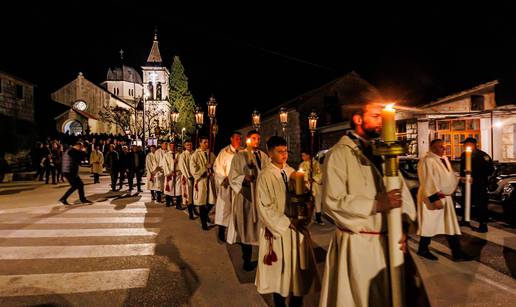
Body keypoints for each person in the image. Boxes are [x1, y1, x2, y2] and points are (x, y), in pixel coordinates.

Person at [319, 102, 416, 307]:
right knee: (363, 298)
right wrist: (376, 204)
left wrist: (403, 226)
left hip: (389, 242)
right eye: (376, 116)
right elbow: (331, 201)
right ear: (358, 119)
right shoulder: (339, 154)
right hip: (358, 244)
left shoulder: (383, 153)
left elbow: (401, 192)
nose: (382, 121)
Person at [256, 136, 319, 307]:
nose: (284, 155)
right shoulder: (265, 176)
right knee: (281, 273)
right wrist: (287, 222)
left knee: (297, 272)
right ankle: (280, 302)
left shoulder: (292, 172)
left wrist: (307, 201)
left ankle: (297, 301)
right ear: (270, 153)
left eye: (285, 151)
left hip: (297, 229)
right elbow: (264, 207)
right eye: (280, 151)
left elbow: (303, 197)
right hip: (280, 231)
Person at [417, 139, 471, 261]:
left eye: (444, 146)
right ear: (433, 148)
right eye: (441, 147)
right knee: (429, 225)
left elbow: (448, 174)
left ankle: (457, 252)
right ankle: (423, 249)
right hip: (434, 196)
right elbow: (427, 180)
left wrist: (460, 178)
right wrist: (434, 198)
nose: (444, 149)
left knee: (449, 225)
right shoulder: (428, 160)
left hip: (445, 198)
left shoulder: (444, 159)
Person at [228, 130, 269, 271]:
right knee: (247, 229)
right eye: (253, 138)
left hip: (260, 197)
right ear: (247, 140)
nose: (257, 141)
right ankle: (246, 259)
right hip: (246, 198)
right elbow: (232, 175)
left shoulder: (264, 156)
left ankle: (265, 257)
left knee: (260, 229)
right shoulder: (240, 156)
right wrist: (244, 178)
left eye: (258, 138)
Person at [459, 137, 494, 233]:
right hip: (466, 184)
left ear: (473, 145)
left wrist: (477, 177)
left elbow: (490, 170)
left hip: (479, 185)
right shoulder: (463, 155)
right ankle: (465, 219)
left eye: (467, 144)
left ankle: (483, 224)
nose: (465, 146)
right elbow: (462, 168)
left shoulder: (483, 156)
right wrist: (462, 177)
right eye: (464, 144)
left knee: (481, 204)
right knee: (465, 202)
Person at [213, 131, 242, 243]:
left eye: (240, 139)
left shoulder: (243, 152)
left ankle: (237, 233)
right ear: (231, 139)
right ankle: (222, 230)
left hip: (239, 186)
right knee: (225, 209)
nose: (239, 141)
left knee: (237, 210)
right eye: (236, 139)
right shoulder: (224, 152)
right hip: (227, 185)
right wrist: (223, 178)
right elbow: (217, 166)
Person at [190, 136, 217, 230]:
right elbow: (193, 170)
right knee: (202, 202)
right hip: (201, 181)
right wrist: (204, 168)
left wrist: (212, 168)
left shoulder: (211, 154)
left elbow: (216, 166)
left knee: (211, 202)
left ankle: (205, 215)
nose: (207, 144)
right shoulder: (195, 155)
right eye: (204, 142)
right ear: (200, 143)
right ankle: (204, 223)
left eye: (207, 142)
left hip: (210, 180)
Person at [299, 150, 324, 225]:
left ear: (308, 155)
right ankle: (307, 217)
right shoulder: (302, 164)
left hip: (315, 184)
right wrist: (304, 180)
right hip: (306, 185)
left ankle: (318, 217)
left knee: (317, 201)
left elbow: (320, 173)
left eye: (304, 155)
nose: (302, 157)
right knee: (307, 201)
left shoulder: (315, 163)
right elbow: (301, 173)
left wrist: (313, 179)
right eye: (301, 156)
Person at [178, 140, 197, 219]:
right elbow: (183, 166)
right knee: (189, 196)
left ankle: (194, 209)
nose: (189, 146)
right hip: (187, 177)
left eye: (190, 144)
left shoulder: (195, 153)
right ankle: (190, 213)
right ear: (185, 146)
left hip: (195, 176)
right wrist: (189, 176)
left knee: (195, 195)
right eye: (187, 145)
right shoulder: (183, 155)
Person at [163, 142, 182, 207]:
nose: (172, 147)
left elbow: (182, 164)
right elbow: (165, 165)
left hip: (177, 173)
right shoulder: (166, 155)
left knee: (178, 189)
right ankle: (168, 202)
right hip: (170, 174)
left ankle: (178, 204)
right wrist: (170, 172)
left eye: (174, 146)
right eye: (171, 146)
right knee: (169, 188)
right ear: (169, 147)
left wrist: (179, 169)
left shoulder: (179, 154)